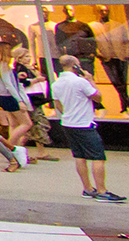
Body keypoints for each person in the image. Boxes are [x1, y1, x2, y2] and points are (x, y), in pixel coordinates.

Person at [52, 55, 122, 202]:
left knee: (79, 156)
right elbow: (98, 97)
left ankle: (88, 188)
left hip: (68, 123)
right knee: (98, 157)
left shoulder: (56, 84)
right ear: (75, 66)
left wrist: (69, 113)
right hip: (84, 123)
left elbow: (58, 105)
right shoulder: (80, 82)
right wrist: (90, 80)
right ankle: (102, 190)